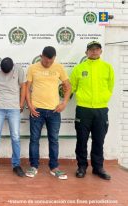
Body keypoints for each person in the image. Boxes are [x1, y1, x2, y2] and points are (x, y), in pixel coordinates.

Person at [70, 41, 114, 180]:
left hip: (101, 110)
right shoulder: (79, 69)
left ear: (101, 51)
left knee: (99, 140)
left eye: (97, 49)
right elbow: (72, 87)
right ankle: (81, 166)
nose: (94, 52)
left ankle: (98, 167)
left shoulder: (107, 67)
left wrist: (104, 97)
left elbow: (110, 86)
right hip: (83, 110)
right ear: (86, 52)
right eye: (91, 49)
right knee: (81, 140)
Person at [26, 46, 71, 180]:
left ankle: (54, 167)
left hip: (54, 110)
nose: (48, 64)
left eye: (50, 62)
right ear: (41, 56)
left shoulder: (59, 68)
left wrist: (64, 103)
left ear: (54, 59)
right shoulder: (32, 68)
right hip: (37, 110)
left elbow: (68, 87)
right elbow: (27, 89)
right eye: (46, 61)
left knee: (54, 139)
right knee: (34, 139)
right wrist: (30, 105)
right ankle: (34, 166)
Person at [0, 57, 26, 177]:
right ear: (0, 67)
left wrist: (21, 103)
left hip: (14, 107)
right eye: (3, 71)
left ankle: (16, 165)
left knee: (15, 137)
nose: (5, 74)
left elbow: (23, 86)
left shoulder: (19, 69)